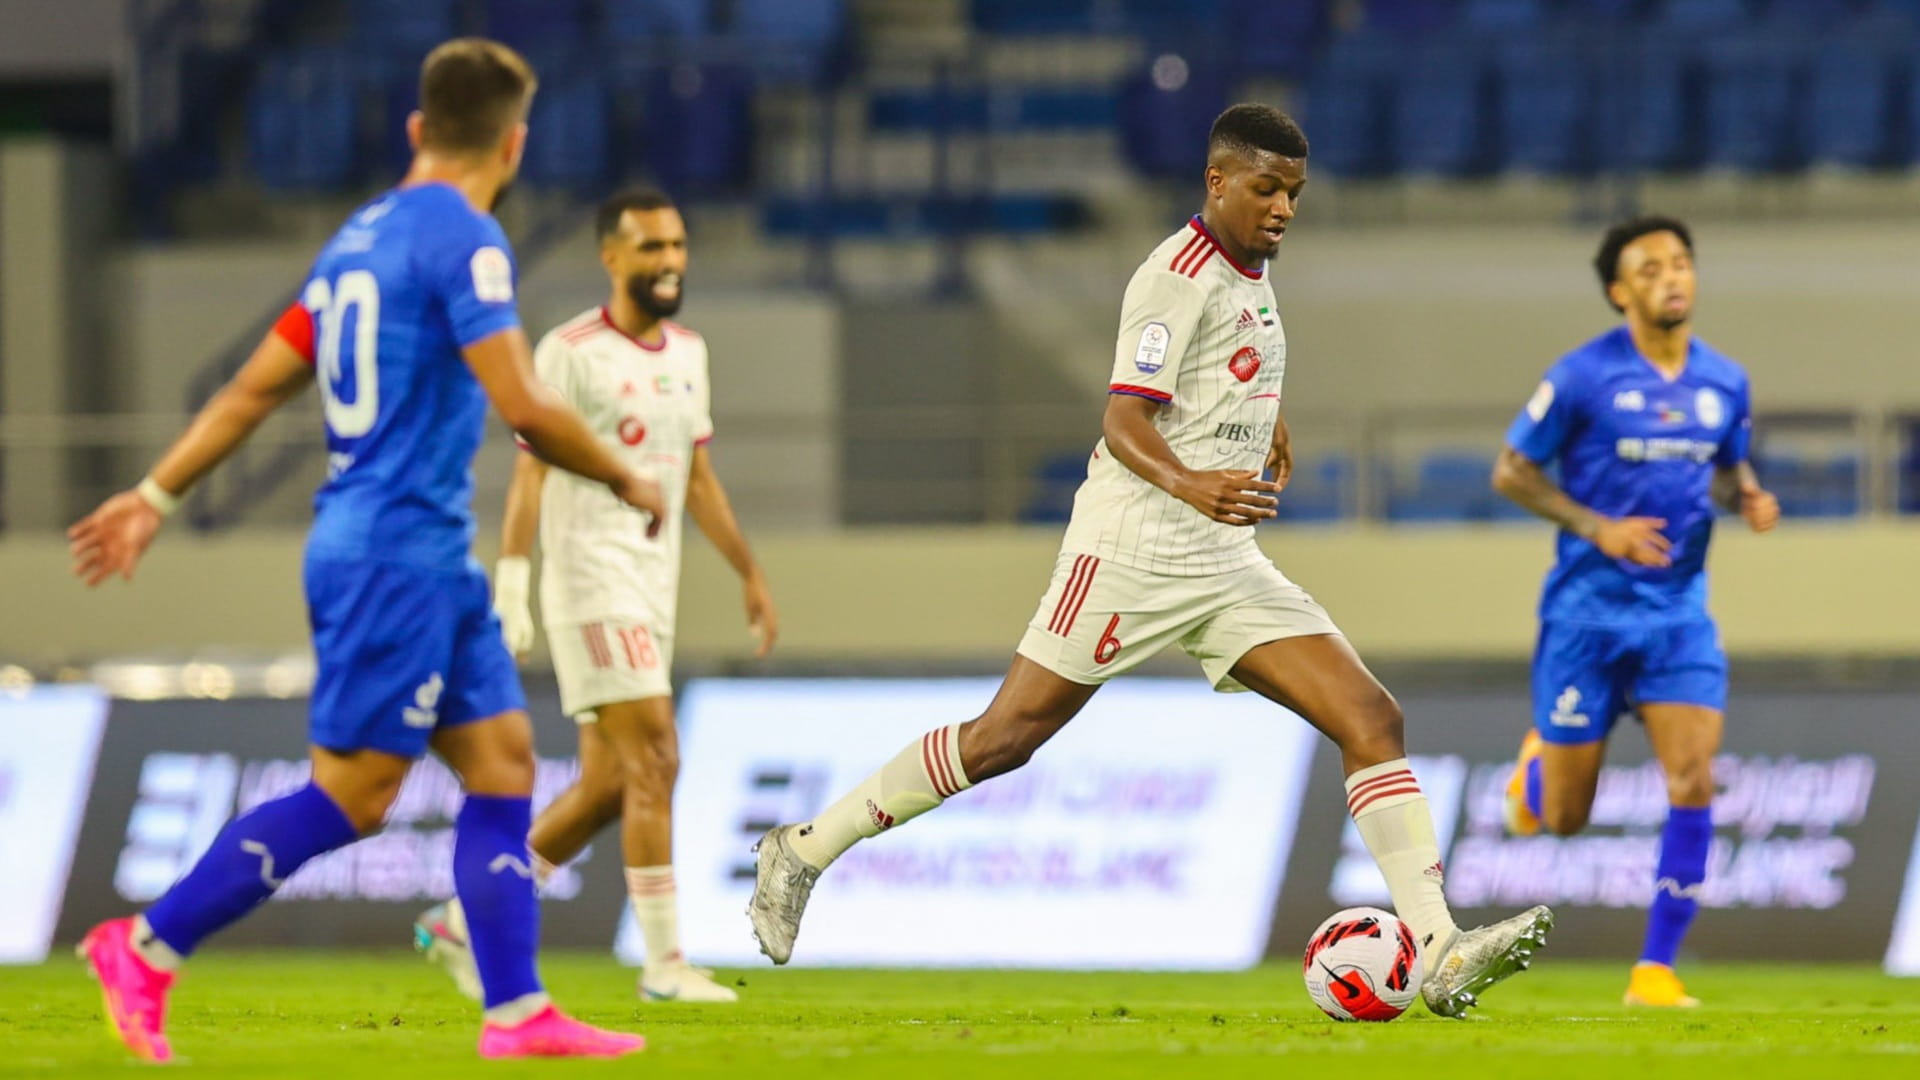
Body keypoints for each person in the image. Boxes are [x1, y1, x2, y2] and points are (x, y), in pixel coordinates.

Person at [744, 103, 1553, 1019]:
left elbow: (1222, 371)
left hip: (1222, 560)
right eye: (1265, 189)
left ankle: (1439, 945)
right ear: (1217, 182)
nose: (1283, 207)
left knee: (1371, 714)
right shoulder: (1175, 276)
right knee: (1004, 738)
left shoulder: (1251, 273)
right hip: (1130, 549)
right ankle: (804, 848)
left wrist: (1260, 427)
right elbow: (1124, 419)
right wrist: (1194, 480)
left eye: (1293, 193)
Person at [67, 39, 659, 1061]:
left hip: (423, 552)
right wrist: (626, 473)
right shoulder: (467, 240)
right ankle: (148, 944)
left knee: (505, 761)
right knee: (355, 795)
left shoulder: (355, 241)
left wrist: (157, 492)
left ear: (417, 130)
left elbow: (258, 384)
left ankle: (515, 1012)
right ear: (514, 144)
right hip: (393, 555)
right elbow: (522, 403)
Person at [414, 186, 777, 1004]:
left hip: (654, 588)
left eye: (678, 245)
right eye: (651, 248)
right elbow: (531, 467)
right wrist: (514, 583)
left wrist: (747, 571)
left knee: (612, 787)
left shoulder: (689, 352)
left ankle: (465, 922)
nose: (670, 262)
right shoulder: (569, 351)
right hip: (591, 580)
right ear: (611, 257)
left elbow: (699, 476)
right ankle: (664, 966)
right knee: (658, 756)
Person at [1492, 215, 1780, 1008]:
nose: (1672, 278)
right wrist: (1597, 527)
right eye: (1650, 268)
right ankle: (1536, 774)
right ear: (1620, 292)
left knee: (1693, 781)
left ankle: (1654, 970)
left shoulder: (1725, 381)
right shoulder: (1582, 376)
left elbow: (1724, 474)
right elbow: (1511, 471)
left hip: (1677, 617)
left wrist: (1746, 495)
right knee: (1564, 821)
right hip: (1586, 616)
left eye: (1681, 263)